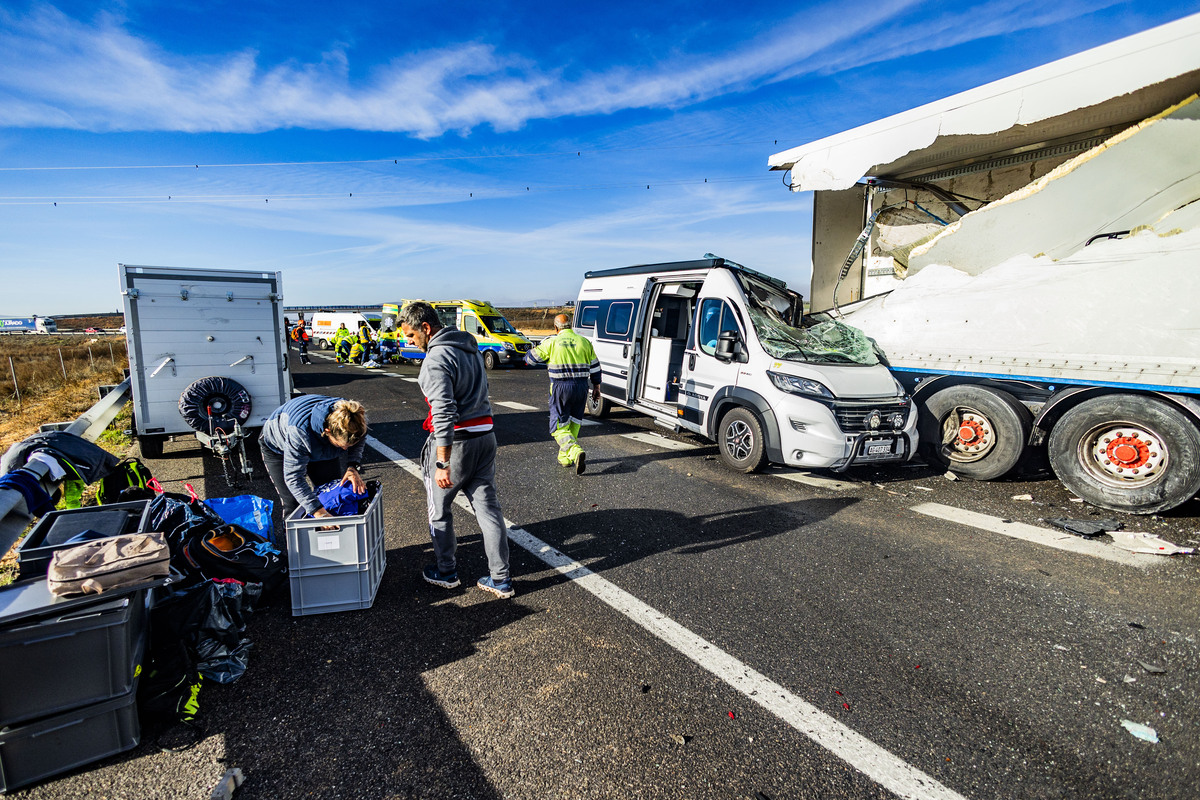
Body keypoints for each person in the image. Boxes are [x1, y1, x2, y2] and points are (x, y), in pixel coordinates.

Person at [399, 301, 513, 599]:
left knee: (440, 511)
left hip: (457, 443)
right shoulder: (469, 347)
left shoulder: (435, 359)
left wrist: (441, 462)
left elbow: (444, 412)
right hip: (485, 436)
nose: (408, 341)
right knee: (488, 510)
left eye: (411, 335)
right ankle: (500, 578)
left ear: (426, 328)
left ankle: (446, 571)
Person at [258, 395, 368, 522]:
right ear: (327, 431)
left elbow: (359, 440)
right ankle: (294, 540)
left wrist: (352, 467)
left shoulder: (355, 418)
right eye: (342, 446)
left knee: (332, 495)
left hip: (319, 444)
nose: (344, 450)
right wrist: (318, 511)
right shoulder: (299, 432)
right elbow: (293, 478)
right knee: (295, 505)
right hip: (278, 447)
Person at [524, 314, 601, 474]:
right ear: (571, 326)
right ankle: (566, 458)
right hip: (581, 388)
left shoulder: (551, 342)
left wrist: (528, 353)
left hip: (561, 387)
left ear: (555, 327)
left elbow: (530, 360)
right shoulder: (584, 342)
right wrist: (597, 388)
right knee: (574, 422)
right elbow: (595, 367)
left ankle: (574, 451)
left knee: (557, 426)